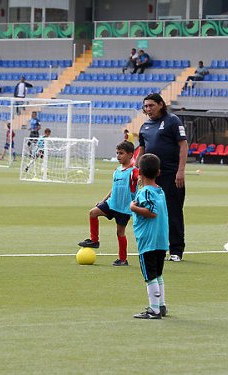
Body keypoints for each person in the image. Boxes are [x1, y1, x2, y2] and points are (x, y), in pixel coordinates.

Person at [136, 93, 188, 262]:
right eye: (145, 106)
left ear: (160, 104)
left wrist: (180, 171)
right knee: (151, 212)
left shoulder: (172, 121)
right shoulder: (144, 126)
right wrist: (138, 172)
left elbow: (183, 145)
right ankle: (156, 248)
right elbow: (142, 151)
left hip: (171, 175)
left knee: (173, 212)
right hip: (151, 178)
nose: (148, 109)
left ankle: (176, 250)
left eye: (151, 105)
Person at [78, 141, 139, 266]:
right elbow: (114, 188)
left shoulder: (134, 171)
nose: (118, 156)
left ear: (130, 155)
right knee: (93, 212)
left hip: (124, 208)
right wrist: (103, 200)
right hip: (112, 204)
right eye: (117, 153)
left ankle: (123, 259)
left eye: (121, 153)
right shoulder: (117, 170)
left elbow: (141, 180)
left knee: (120, 233)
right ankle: (94, 240)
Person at [131, 153, 169, 319]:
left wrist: (133, 208)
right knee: (158, 274)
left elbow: (151, 212)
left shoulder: (145, 192)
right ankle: (161, 306)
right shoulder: (159, 191)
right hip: (161, 240)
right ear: (158, 172)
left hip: (148, 240)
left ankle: (154, 310)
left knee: (150, 276)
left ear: (140, 172)